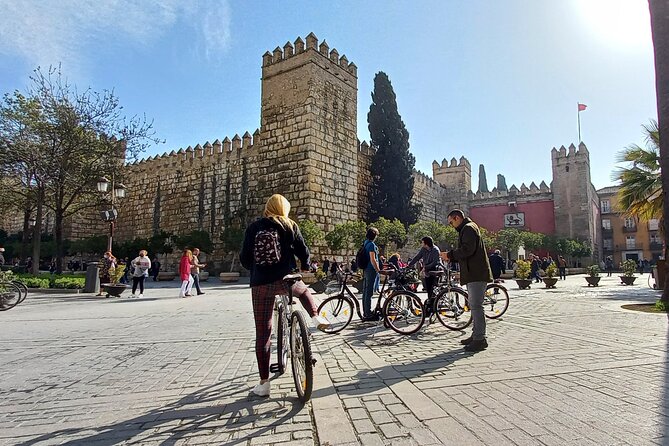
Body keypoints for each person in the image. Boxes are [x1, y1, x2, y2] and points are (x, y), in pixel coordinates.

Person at [239, 194, 330, 397]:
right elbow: (303, 251)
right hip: (287, 279)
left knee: (263, 333)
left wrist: (254, 269)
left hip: (261, 283)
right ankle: (315, 317)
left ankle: (264, 384)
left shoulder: (254, 227)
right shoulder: (290, 226)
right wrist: (306, 265)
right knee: (305, 290)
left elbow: (245, 258)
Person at [442, 210, 493, 352]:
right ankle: (476, 335)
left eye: (451, 222)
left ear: (457, 218)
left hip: (476, 273)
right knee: (474, 305)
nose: (451, 225)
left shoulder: (468, 228)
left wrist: (450, 255)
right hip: (474, 272)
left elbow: (467, 250)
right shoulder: (468, 227)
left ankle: (480, 339)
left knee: (476, 306)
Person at [407, 237, 442, 306]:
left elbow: (435, 262)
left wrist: (426, 267)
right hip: (427, 271)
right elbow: (417, 257)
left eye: (422, 242)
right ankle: (431, 302)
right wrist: (409, 265)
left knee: (433, 287)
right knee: (428, 288)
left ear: (426, 243)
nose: (421, 244)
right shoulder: (423, 249)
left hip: (435, 270)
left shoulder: (435, 250)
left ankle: (434, 303)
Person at [359, 227, 381, 321]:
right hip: (371, 270)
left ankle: (366, 311)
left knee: (365, 291)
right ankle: (368, 314)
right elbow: (373, 259)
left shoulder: (365, 243)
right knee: (369, 292)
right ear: (374, 235)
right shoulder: (371, 244)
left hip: (365, 269)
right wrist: (378, 269)